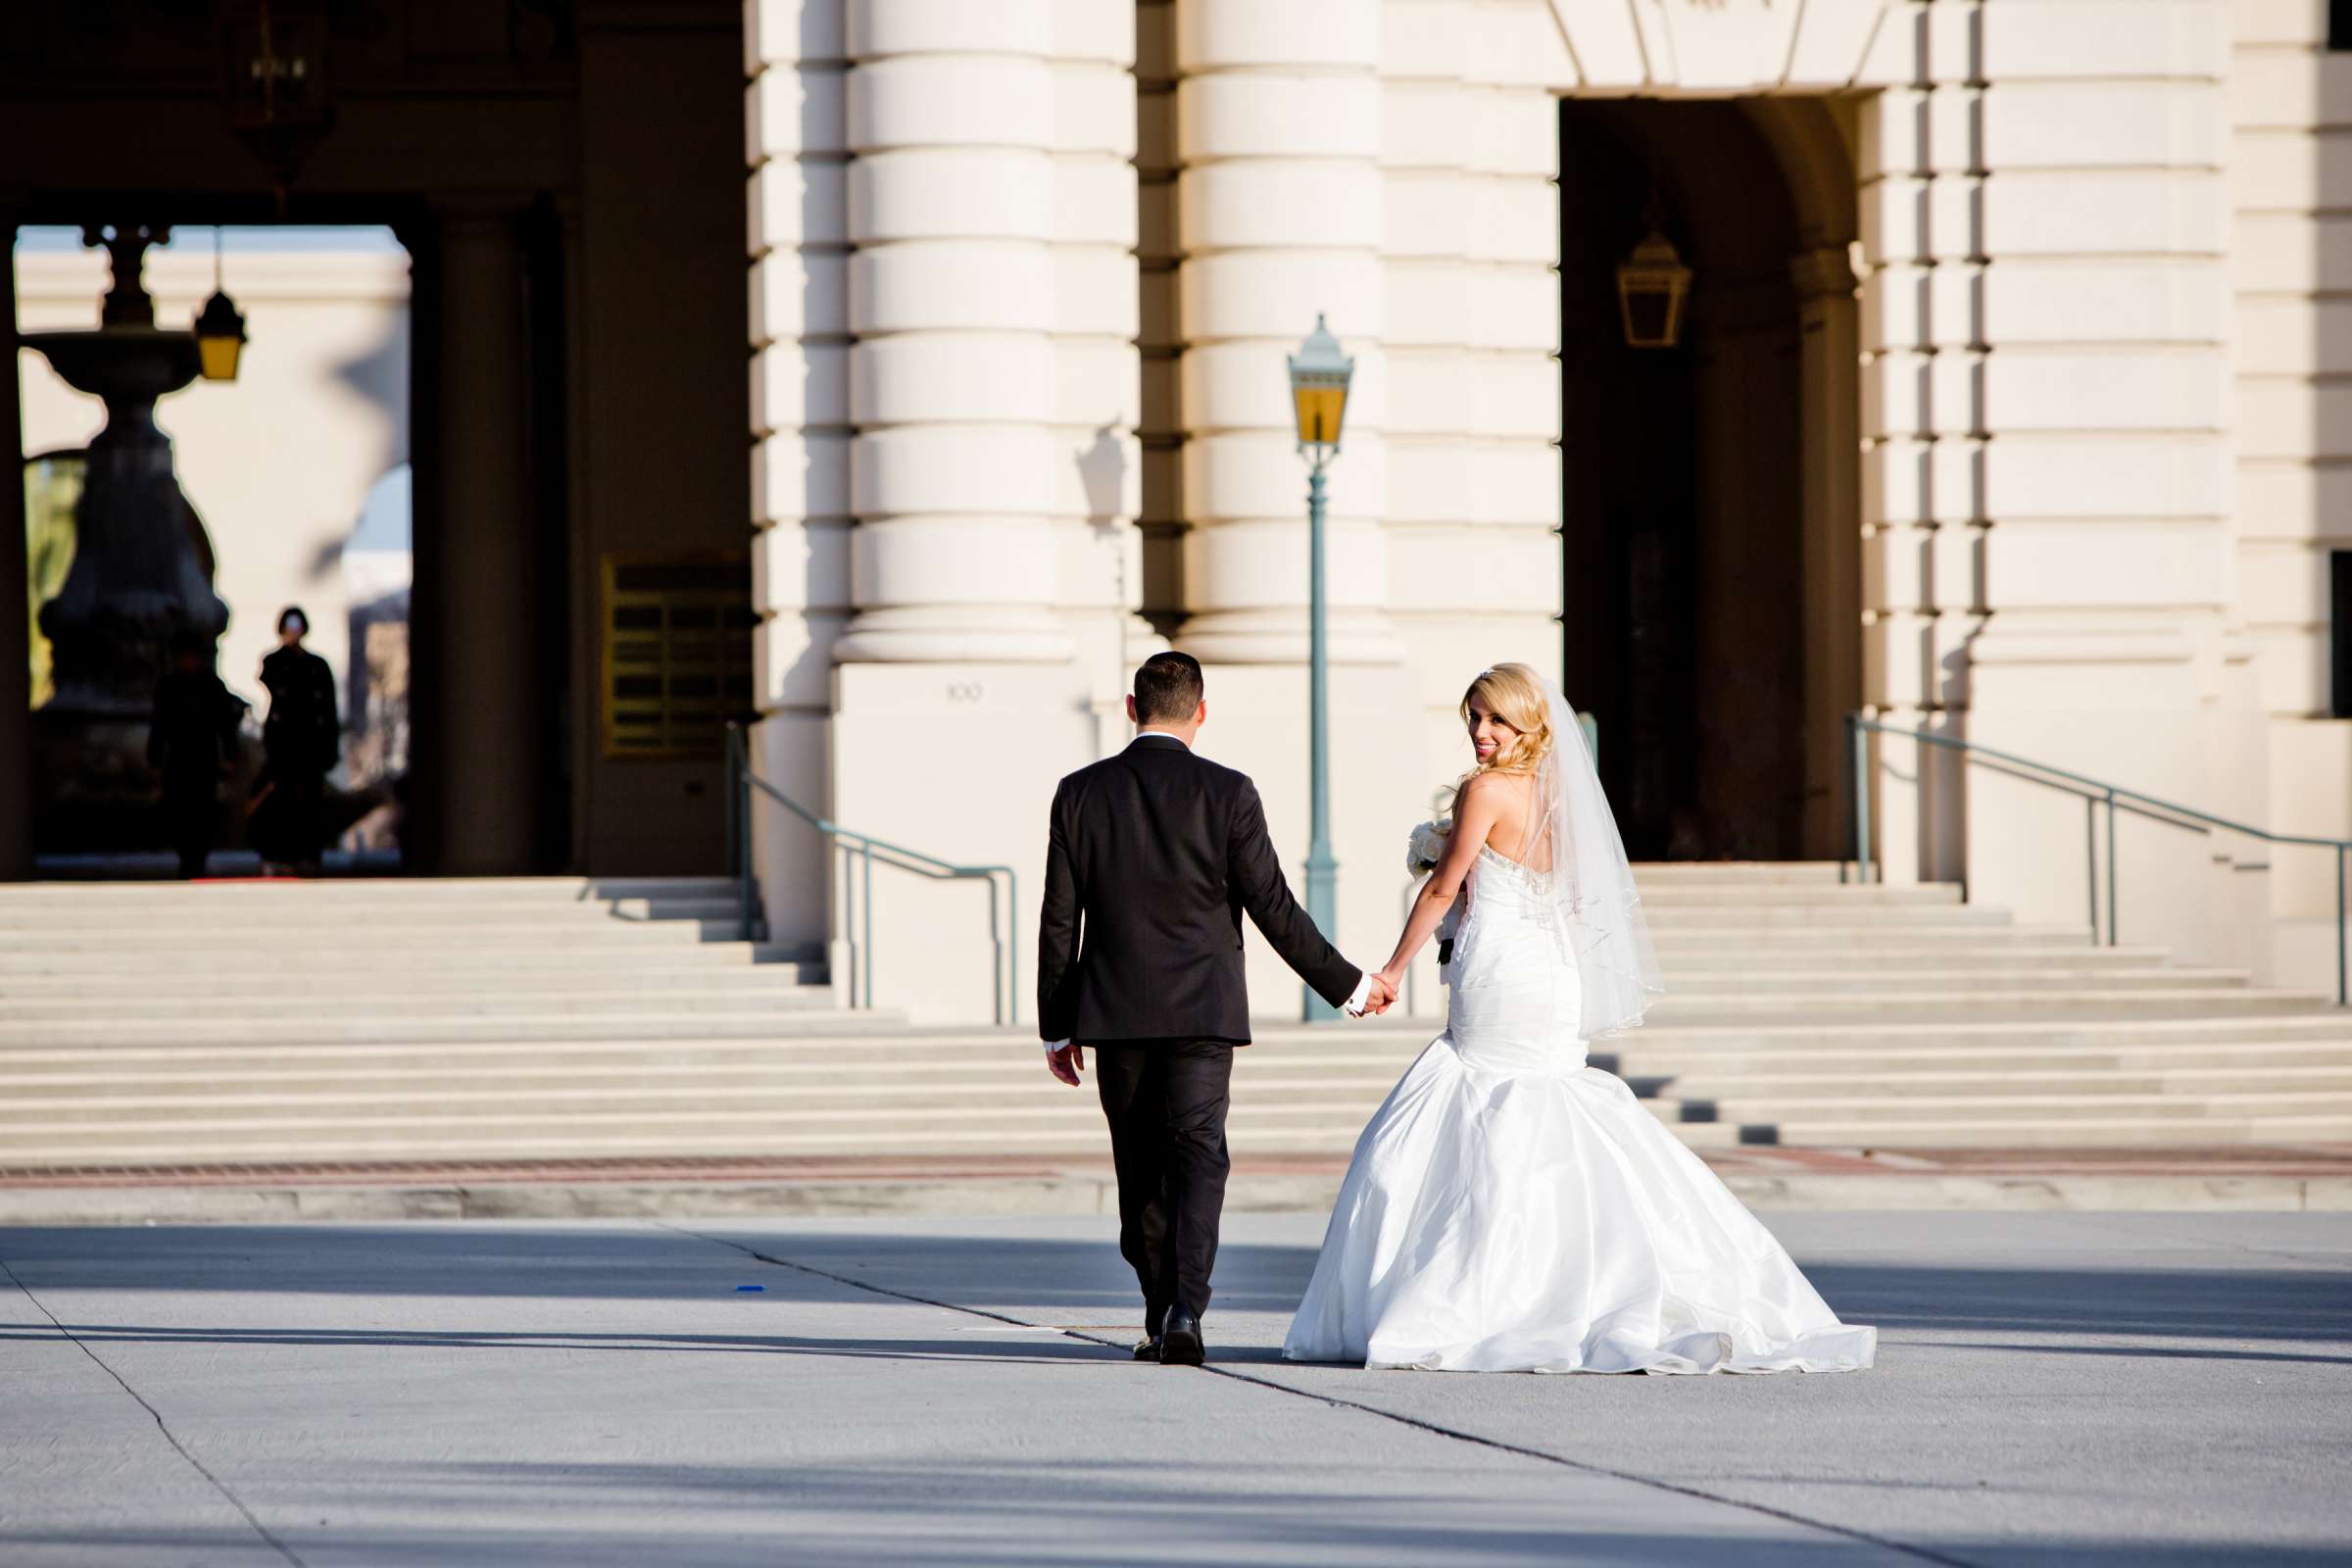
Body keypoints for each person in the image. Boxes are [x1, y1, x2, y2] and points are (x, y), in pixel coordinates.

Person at [1282, 662, 1876, 1374]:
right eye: (1473, 717)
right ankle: (1585, 1285)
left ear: (1529, 723)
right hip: (1554, 973)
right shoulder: (1565, 800)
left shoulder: (1485, 791)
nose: (1481, 732)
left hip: (1502, 971)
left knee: (1476, 1114)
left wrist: (1393, 970)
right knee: (1550, 1108)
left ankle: (1490, 1298)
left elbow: (1444, 889)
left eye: (1496, 719)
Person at [1038, 651, 1396, 1368]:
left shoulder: (1079, 792)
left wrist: (1057, 1024)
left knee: (1139, 1168)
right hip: (1203, 1012)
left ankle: (1155, 1305)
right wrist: (1349, 985)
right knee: (1200, 1158)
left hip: (1115, 1015)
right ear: (1200, 712)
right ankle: (1186, 1311)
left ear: (1131, 708)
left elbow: (1058, 919)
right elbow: (1272, 907)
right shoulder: (1228, 792)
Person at [248, 605, 340, 875]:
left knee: (309, 804)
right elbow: (271, 682)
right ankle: (280, 854)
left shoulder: (316, 667)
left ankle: (308, 854)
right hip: (283, 749)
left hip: (310, 747)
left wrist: (329, 747)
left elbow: (328, 710)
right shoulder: (276, 663)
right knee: (282, 802)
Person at [146, 633, 243, 879]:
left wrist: (230, 755)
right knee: (179, 813)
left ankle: (197, 859)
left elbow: (226, 724)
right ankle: (185, 857)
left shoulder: (211, 686)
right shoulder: (169, 687)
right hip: (178, 759)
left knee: (202, 813)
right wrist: (154, 760)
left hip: (204, 759)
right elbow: (159, 726)